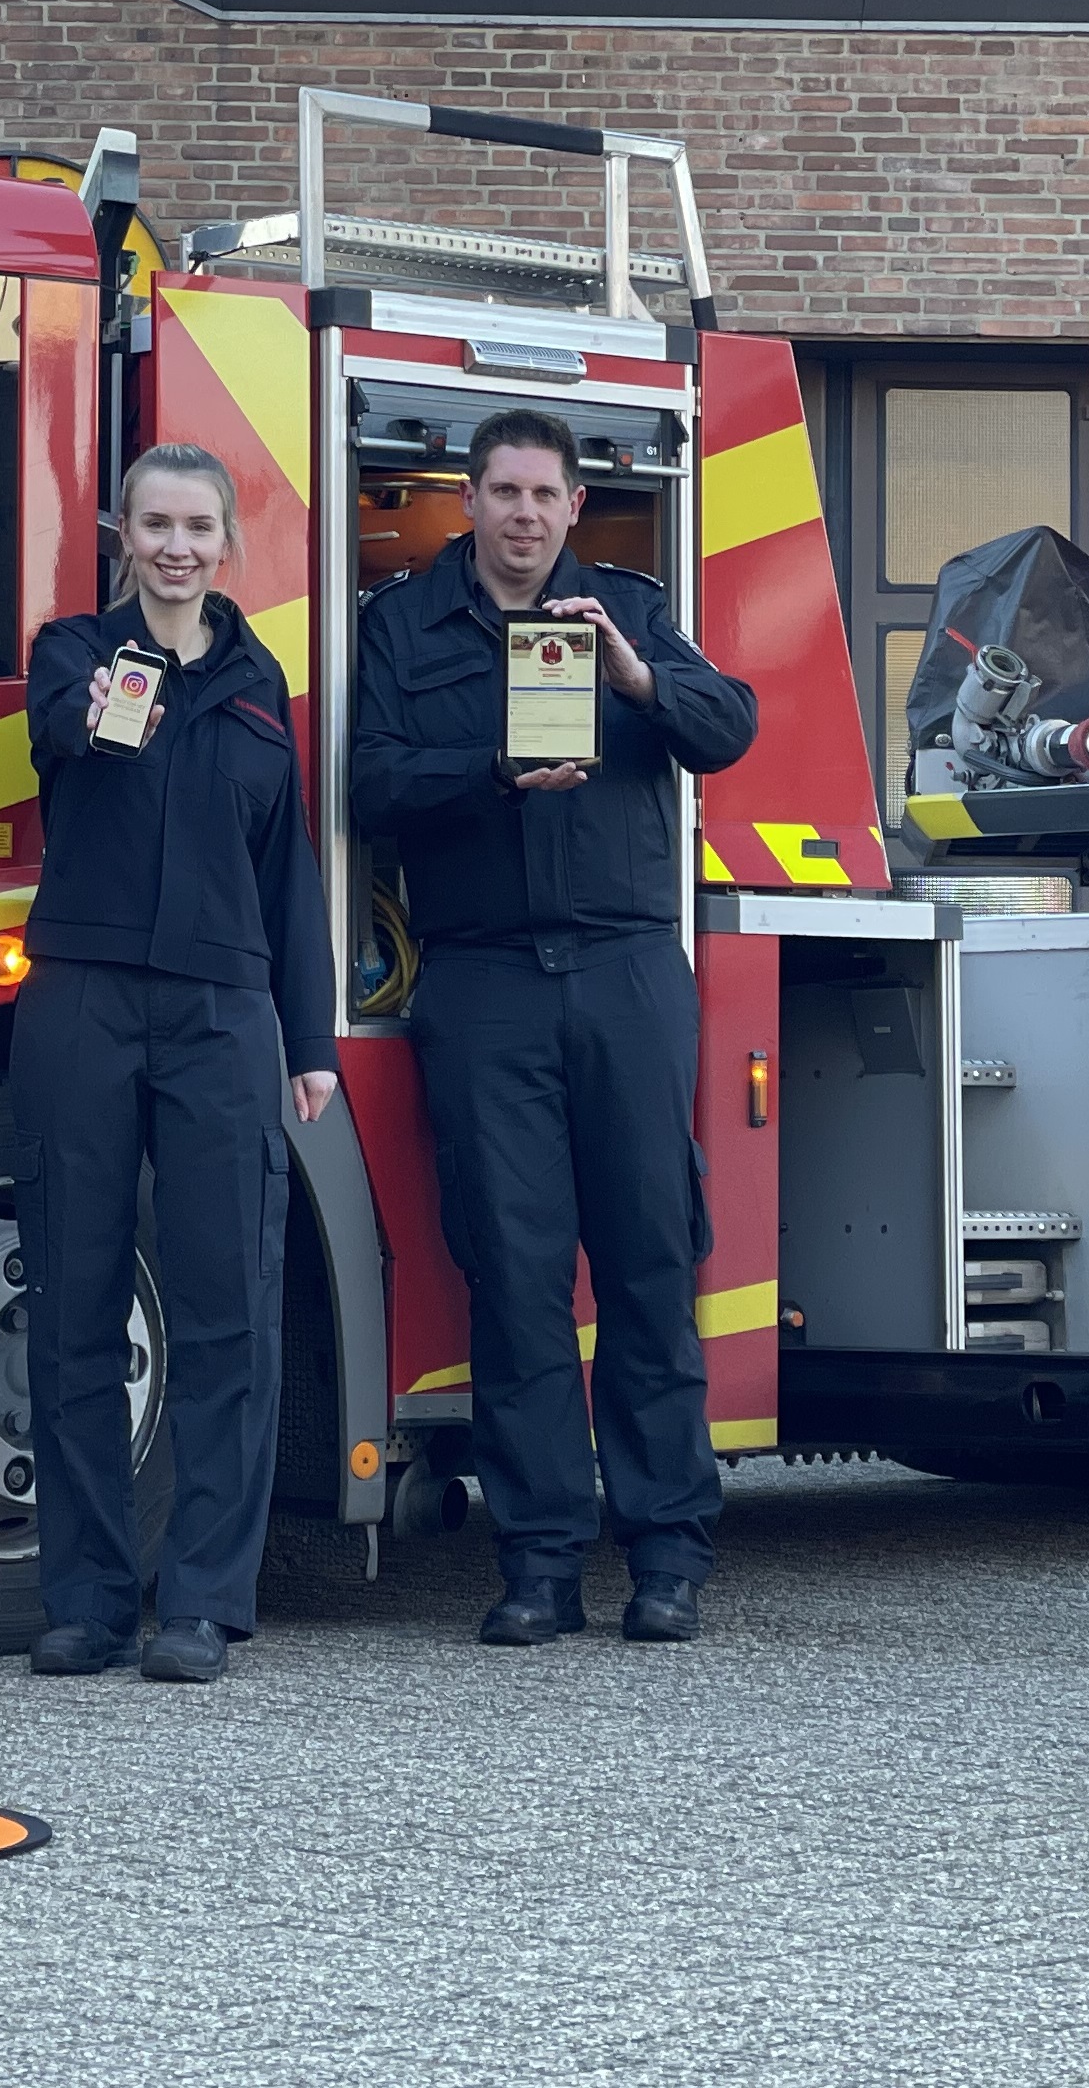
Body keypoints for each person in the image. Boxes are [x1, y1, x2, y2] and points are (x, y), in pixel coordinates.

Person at [349, 407, 758, 1647]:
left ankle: (668, 1556)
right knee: (515, 1276)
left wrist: (638, 677)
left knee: (646, 1261)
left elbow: (729, 726)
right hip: (482, 982)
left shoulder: (630, 610)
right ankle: (537, 1560)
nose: (524, 514)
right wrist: (486, 767)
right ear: (465, 501)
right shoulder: (401, 623)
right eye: (502, 492)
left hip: (628, 966)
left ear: (576, 506)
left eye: (545, 494)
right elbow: (364, 780)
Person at [13, 441, 339, 1686]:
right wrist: (114, 699)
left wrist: (306, 1041)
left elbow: (288, 874)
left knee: (227, 1315)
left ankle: (202, 1599)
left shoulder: (262, 685)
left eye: (198, 525)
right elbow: (57, 743)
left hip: (220, 1014)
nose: (176, 546)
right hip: (83, 1000)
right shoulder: (71, 656)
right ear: (122, 534)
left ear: (227, 540)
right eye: (154, 523)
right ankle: (88, 1602)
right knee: (74, 1307)